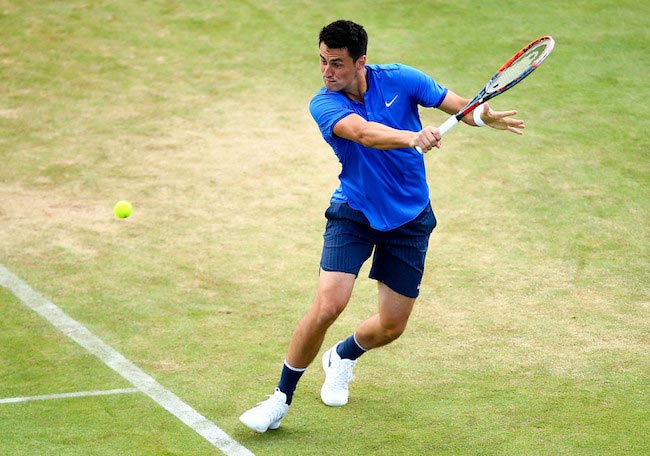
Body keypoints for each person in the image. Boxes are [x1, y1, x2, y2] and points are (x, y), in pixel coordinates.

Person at [239, 19, 524, 433]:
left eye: (336, 63)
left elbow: (459, 106)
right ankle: (279, 399)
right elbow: (363, 133)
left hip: (409, 219)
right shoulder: (324, 103)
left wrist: (484, 117)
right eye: (322, 61)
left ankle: (344, 355)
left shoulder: (402, 79)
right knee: (328, 306)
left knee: (392, 326)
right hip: (354, 212)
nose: (326, 71)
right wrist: (412, 138)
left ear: (361, 62)